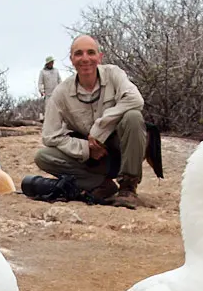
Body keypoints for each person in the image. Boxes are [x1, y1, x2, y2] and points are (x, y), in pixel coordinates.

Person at [29, 35, 152, 210]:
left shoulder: (114, 74)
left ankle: (128, 188)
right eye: (79, 54)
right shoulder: (61, 92)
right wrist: (85, 148)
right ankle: (101, 185)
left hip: (121, 151)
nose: (85, 58)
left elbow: (136, 100)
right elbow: (50, 136)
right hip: (91, 160)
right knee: (43, 157)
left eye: (91, 53)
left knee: (133, 116)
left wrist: (100, 128)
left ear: (100, 57)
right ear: (72, 60)